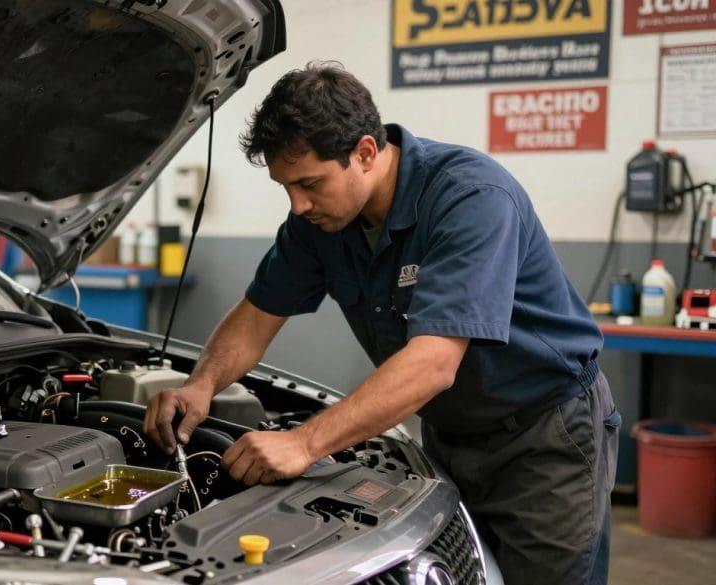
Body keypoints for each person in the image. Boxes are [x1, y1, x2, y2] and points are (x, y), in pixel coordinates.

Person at [142, 62, 620, 585]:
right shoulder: (318, 223)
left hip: (542, 437)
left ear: (366, 153)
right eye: (286, 187)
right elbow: (256, 317)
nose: (297, 205)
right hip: (449, 433)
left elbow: (433, 364)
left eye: (309, 184)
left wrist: (303, 443)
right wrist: (202, 384)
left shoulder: (470, 197)